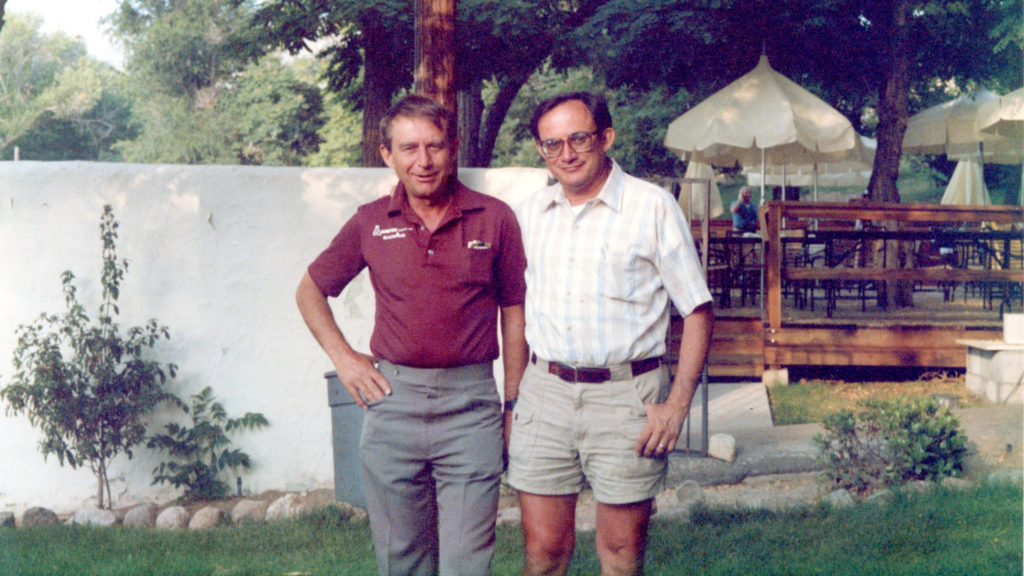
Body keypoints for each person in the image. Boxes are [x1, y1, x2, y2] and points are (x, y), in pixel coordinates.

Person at [296, 94, 528, 576]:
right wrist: (345, 358)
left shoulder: (495, 217)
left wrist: (512, 404)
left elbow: (514, 311)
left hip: (470, 408)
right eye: (408, 148)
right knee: (402, 559)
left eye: (435, 146)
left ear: (454, 148)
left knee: (467, 563)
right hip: (393, 405)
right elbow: (310, 291)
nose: (423, 161)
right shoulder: (370, 220)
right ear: (387, 155)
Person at [508, 91, 714, 576]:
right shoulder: (529, 215)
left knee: (621, 555)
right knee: (543, 553)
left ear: (605, 138)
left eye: (578, 138)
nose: (567, 154)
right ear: (541, 149)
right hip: (546, 394)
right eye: (551, 144)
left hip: (627, 397)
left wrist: (677, 404)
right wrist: (514, 403)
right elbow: (515, 311)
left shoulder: (652, 206)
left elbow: (698, 312)